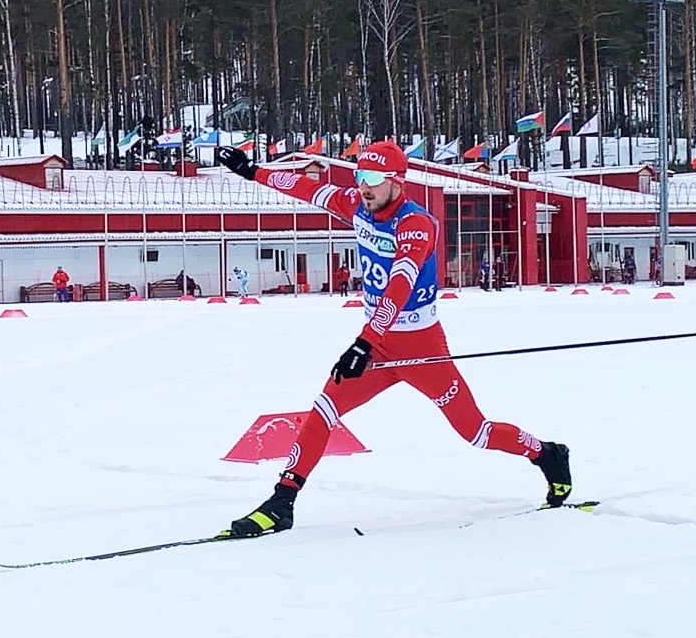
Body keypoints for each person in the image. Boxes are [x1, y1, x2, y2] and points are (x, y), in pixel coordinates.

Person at [213, 141, 574, 537]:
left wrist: (364, 341)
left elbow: (399, 285)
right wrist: (252, 172)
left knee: (476, 432)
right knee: (323, 411)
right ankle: (282, 501)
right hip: (379, 345)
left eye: (371, 179)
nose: (362, 187)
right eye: (358, 176)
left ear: (396, 182)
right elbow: (304, 187)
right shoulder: (356, 203)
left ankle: (547, 453)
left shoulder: (417, 224)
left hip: (421, 349)